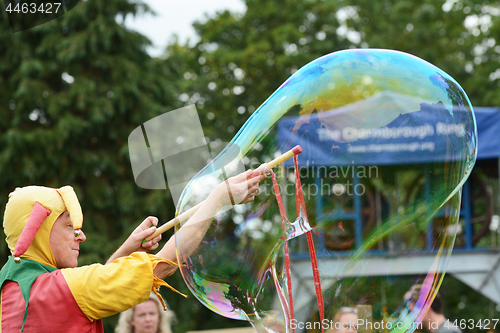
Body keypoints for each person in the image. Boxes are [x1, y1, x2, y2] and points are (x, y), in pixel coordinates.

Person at [0, 166, 269, 332]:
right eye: (70, 227)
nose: (81, 237)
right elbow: (162, 265)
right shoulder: (65, 287)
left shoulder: (10, 287)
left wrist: (128, 249)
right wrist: (218, 198)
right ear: (38, 231)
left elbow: (87, 297)